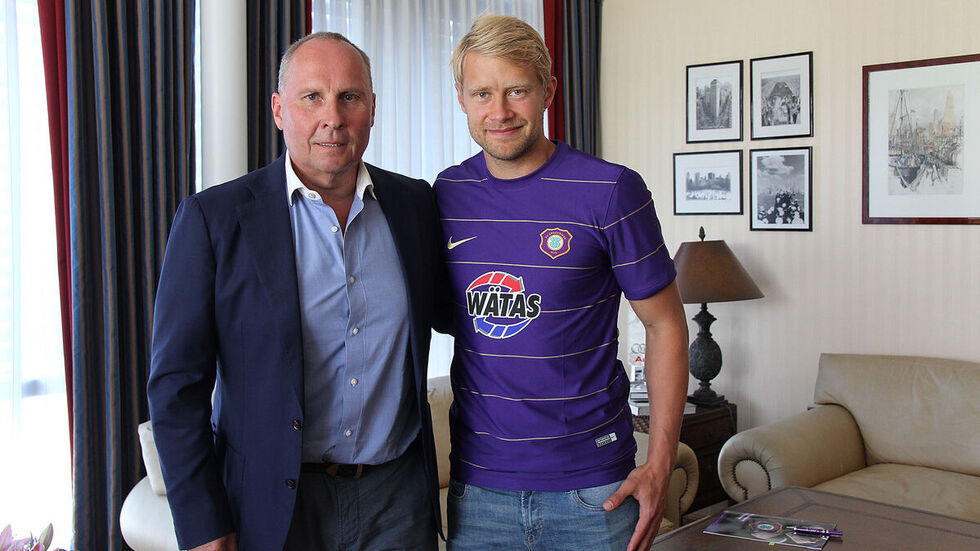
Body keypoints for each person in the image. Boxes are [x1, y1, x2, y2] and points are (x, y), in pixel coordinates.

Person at [147, 32, 446, 551]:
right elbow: (176, 387)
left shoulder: (415, 205)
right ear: (279, 109)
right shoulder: (212, 220)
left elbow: (468, 316)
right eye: (313, 97)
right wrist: (203, 525)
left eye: (349, 97)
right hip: (272, 505)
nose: (333, 116)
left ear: (372, 109)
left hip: (398, 502)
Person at [434, 15, 689, 551]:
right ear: (461, 97)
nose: (499, 111)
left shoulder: (611, 190)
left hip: (595, 492)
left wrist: (661, 462)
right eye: (482, 93)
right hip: (479, 493)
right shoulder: (446, 195)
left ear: (549, 90)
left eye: (517, 90)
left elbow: (665, 325)